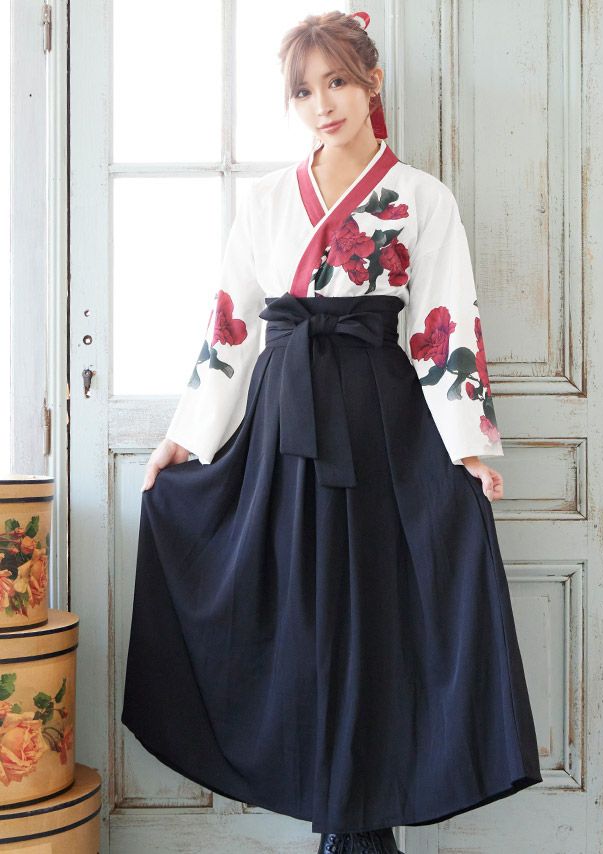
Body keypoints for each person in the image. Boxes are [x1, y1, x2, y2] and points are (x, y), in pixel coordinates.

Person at [121, 10, 542, 854]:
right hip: (284, 422)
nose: (324, 104)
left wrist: (466, 448)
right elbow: (232, 324)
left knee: (377, 616)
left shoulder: (421, 197)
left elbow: (443, 324)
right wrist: (187, 438)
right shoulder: (267, 201)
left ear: (372, 82)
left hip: (383, 424)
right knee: (298, 615)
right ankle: (332, 808)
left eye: (339, 81)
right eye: (305, 91)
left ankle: (364, 819)